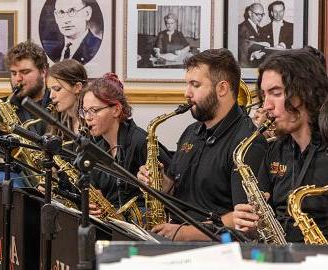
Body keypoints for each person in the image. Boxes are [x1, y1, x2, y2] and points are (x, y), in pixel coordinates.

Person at [137, 48, 268, 241]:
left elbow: (244, 219)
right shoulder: (191, 132)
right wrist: (157, 182)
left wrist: (185, 233)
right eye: (187, 84)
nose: (186, 93)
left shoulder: (248, 142)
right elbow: (175, 189)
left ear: (222, 88)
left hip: (218, 252)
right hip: (177, 242)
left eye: (195, 85)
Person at [233, 49, 328, 242]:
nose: (266, 105)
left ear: (304, 92)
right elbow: (262, 223)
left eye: (276, 93)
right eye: (264, 94)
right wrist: (251, 226)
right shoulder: (275, 151)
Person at [79, 73, 172, 215]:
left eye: (94, 110)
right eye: (85, 111)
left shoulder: (141, 141)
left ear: (116, 110)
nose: (87, 118)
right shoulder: (96, 146)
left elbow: (172, 188)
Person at [0, 40, 51, 187]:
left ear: (43, 71)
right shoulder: (0, 106)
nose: (18, 79)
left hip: (27, 182)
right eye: (13, 73)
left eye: (25, 72)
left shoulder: (55, 105)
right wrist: (2, 148)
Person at [46, 0, 102, 64]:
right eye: (61, 12)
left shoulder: (96, 48)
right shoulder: (53, 51)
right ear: (56, 16)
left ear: (87, 13)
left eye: (72, 11)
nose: (66, 20)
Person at [47, 59, 88, 137]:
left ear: (77, 87)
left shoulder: (92, 121)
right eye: (50, 90)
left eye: (57, 89)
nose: (51, 96)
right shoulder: (60, 120)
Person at [238, 3, 267, 68]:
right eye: (257, 14)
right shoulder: (241, 28)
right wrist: (252, 56)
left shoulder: (260, 28)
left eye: (262, 15)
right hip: (248, 67)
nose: (260, 18)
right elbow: (241, 53)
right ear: (250, 13)